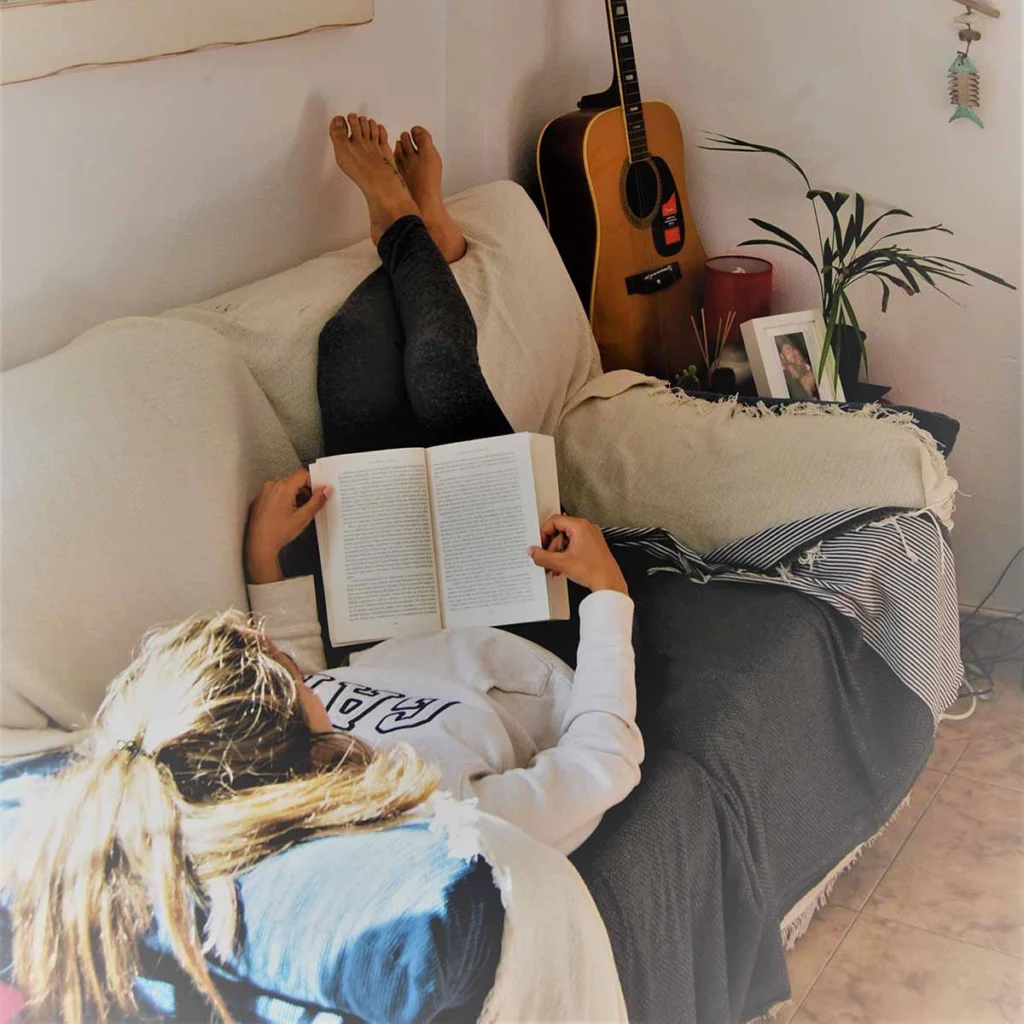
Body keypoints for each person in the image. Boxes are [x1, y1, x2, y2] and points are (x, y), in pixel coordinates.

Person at [5, 114, 642, 1024]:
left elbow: (316, 666)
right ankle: (409, 222)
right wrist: (607, 596)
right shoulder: (430, 806)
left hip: (388, 609)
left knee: (347, 355)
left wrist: (266, 556)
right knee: (440, 374)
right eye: (281, 667)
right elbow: (600, 765)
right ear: (304, 739)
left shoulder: (284, 731)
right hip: (520, 623)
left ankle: (416, 232)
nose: (289, 658)